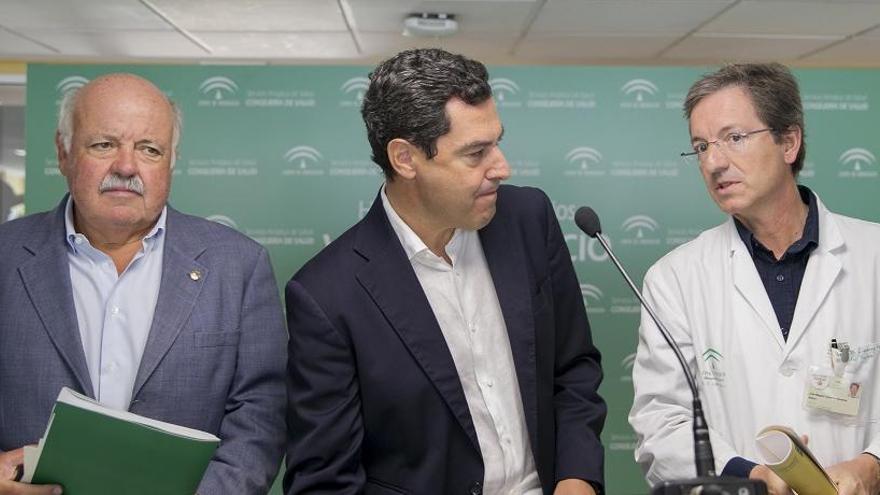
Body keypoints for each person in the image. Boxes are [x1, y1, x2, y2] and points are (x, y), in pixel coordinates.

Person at [284, 48, 606, 495]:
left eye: (497, 141)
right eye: (476, 154)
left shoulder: (528, 219)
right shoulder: (326, 294)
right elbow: (324, 480)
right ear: (405, 159)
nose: (502, 167)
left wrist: (577, 478)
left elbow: (573, 368)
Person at [0, 74, 287, 494]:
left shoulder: (238, 265)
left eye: (149, 149)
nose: (126, 166)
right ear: (63, 153)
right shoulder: (5, 256)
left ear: (170, 161)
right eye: (104, 144)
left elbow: (261, 417)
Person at [629, 63, 880, 495]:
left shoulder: (873, 256)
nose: (713, 162)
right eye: (701, 146)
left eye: (734, 138)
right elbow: (661, 423)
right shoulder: (675, 279)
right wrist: (751, 474)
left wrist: (871, 465)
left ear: (789, 141)